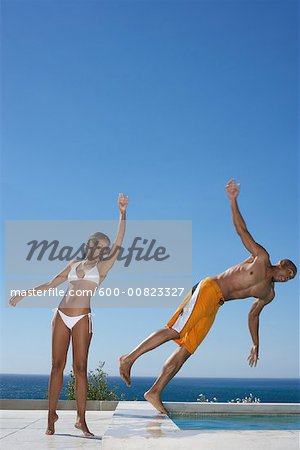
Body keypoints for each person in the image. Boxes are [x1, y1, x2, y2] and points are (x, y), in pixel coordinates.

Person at [119, 180, 297, 414]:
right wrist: (233, 200)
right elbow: (242, 232)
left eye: (292, 279)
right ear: (282, 264)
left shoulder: (268, 294)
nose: (288, 278)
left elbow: (253, 315)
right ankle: (128, 359)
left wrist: (256, 343)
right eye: (289, 272)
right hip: (209, 288)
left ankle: (155, 392)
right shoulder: (261, 258)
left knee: (186, 350)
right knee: (176, 330)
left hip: (216, 304)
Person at [9, 193, 128, 437]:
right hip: (61, 315)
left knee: (81, 369)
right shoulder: (74, 264)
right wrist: (23, 294)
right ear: (89, 245)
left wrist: (122, 213)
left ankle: (81, 420)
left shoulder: (103, 267)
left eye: (103, 248)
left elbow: (119, 242)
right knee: (56, 367)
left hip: (83, 317)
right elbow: (51, 283)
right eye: (97, 245)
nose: (100, 250)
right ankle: (50, 417)